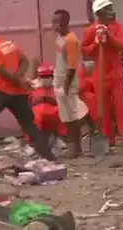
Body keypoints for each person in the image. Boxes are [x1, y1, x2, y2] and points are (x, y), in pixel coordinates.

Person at [0, 18, 54, 163]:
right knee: (28, 124)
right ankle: (49, 156)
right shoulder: (8, 43)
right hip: (19, 92)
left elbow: (2, 72)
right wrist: (20, 78)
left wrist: (17, 80)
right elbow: (25, 62)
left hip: (4, 93)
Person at [81, 0, 123, 148]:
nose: (112, 11)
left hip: (116, 71)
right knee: (103, 109)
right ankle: (108, 139)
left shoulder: (117, 27)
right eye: (108, 9)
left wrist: (109, 36)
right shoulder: (91, 30)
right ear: (99, 13)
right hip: (100, 73)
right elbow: (84, 51)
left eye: (111, 8)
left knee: (121, 107)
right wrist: (95, 43)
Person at [52, 9, 85, 158]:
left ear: (66, 22)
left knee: (72, 116)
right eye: (53, 21)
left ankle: (76, 148)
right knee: (65, 116)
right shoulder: (59, 38)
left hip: (68, 83)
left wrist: (65, 87)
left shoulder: (71, 40)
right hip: (59, 80)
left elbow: (72, 67)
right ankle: (74, 147)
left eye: (56, 21)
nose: (54, 25)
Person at [28, 64, 66, 142]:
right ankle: (33, 140)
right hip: (38, 115)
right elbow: (29, 104)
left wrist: (47, 99)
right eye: (43, 77)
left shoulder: (58, 86)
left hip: (54, 114)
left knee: (63, 111)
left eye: (48, 76)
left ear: (52, 77)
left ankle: (60, 137)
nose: (46, 79)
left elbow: (62, 102)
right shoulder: (33, 87)